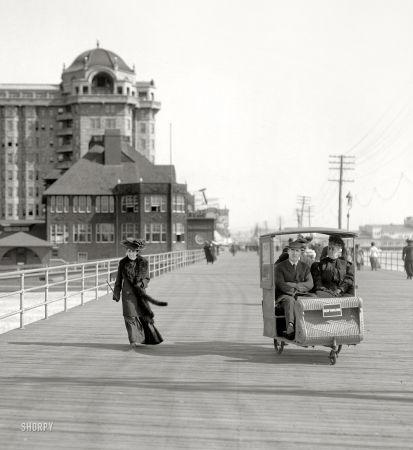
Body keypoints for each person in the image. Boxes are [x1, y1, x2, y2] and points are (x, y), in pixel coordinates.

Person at [113, 237, 168, 347]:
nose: (131, 254)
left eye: (133, 251)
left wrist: (141, 284)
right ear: (126, 251)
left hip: (140, 295)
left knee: (144, 317)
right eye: (129, 251)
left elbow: (147, 278)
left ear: (137, 252)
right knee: (129, 317)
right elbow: (118, 280)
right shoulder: (122, 263)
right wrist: (116, 293)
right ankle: (132, 340)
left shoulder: (144, 262)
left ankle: (149, 337)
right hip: (127, 295)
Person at [274, 240, 314, 340]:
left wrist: (294, 286)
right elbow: (280, 284)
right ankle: (290, 326)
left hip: (301, 294)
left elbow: (310, 284)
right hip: (285, 295)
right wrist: (295, 289)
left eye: (297, 251)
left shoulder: (305, 267)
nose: (294, 253)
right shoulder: (279, 267)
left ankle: (312, 325)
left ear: (301, 252)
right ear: (288, 251)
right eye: (292, 250)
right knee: (290, 301)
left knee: (314, 297)